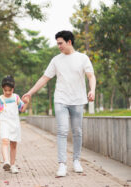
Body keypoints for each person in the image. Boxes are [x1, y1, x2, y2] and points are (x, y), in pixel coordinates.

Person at [22, 30, 96, 177]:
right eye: (57, 44)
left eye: (60, 43)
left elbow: (91, 76)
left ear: (69, 42)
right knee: (62, 131)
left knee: (77, 131)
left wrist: (92, 90)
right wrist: (30, 92)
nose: (59, 46)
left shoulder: (82, 58)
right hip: (61, 99)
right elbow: (44, 78)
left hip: (78, 100)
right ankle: (62, 164)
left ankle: (76, 161)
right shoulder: (56, 60)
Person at [0, 75, 29, 174]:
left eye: (9, 90)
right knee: (5, 141)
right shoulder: (0, 99)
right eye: (5, 90)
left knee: (13, 145)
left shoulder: (16, 97)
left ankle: (13, 165)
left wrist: (26, 103)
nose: (7, 92)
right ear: (3, 89)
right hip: (4, 123)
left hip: (15, 124)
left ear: (13, 89)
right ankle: (6, 161)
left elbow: (22, 109)